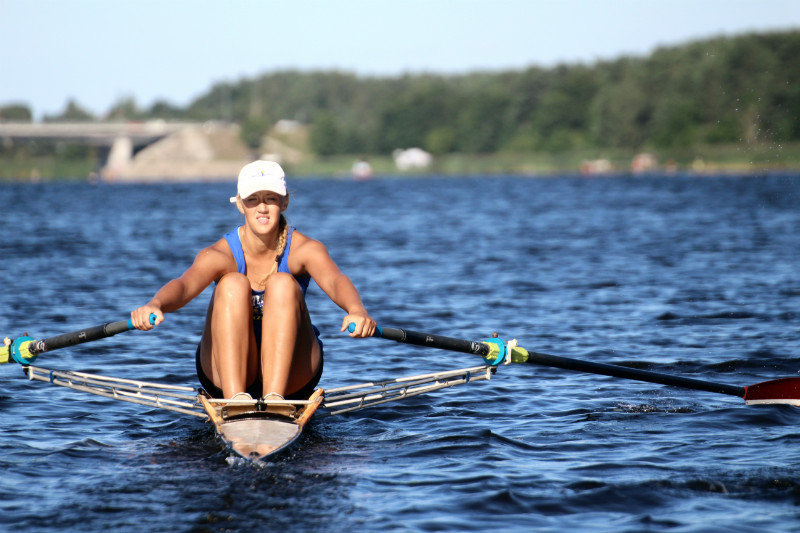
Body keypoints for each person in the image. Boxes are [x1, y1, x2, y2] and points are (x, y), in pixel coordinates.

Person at [130, 160, 376, 401]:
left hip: (293, 374)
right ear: (240, 204)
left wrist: (356, 310)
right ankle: (235, 399)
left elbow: (335, 280)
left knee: (282, 283)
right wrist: (155, 304)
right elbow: (184, 285)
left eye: (271, 198)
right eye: (253, 200)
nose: (262, 208)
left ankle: (274, 398)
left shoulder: (305, 249)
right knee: (232, 284)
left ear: (284, 202)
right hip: (227, 373)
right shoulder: (219, 254)